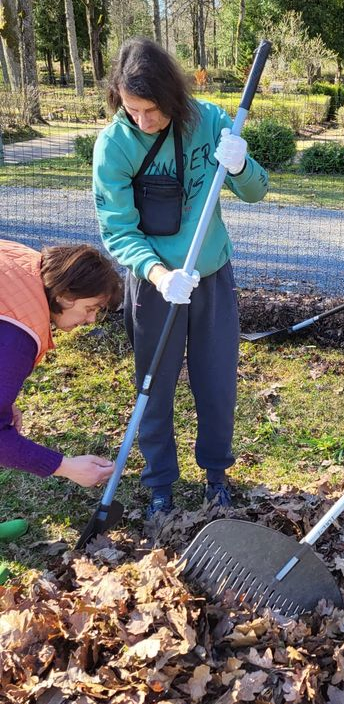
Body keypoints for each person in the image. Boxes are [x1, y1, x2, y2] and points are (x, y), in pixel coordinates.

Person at [92, 37, 269, 518]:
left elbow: (256, 190)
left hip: (211, 276)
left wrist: (240, 162)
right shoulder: (115, 144)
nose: (143, 122)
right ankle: (160, 485)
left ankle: (216, 475)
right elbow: (118, 230)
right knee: (155, 384)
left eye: (152, 110)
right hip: (155, 285)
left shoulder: (209, 120)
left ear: (172, 96)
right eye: (132, 111)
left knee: (216, 382)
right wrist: (156, 272)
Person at [0, 240, 122, 490]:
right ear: (65, 295)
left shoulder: (26, 264)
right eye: (90, 309)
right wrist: (65, 466)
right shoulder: (18, 337)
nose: (91, 320)